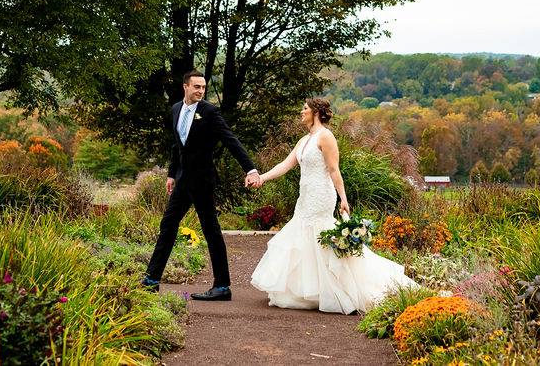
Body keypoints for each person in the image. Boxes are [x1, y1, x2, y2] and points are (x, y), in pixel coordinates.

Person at [248, 97, 417, 313]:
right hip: (305, 196)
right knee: (303, 236)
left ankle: (336, 290)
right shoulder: (303, 140)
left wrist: (343, 198)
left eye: (305, 108)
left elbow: (334, 170)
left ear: (316, 112)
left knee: (319, 235)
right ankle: (310, 291)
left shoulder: (326, 137)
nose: (302, 111)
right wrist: (262, 177)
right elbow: (286, 164)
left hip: (321, 195)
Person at [142, 70, 261, 300]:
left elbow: (231, 140)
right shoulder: (176, 109)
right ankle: (151, 280)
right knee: (168, 224)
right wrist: (171, 174)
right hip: (184, 180)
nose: (201, 91)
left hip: (203, 181)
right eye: (196, 87)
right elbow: (178, 145)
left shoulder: (210, 112)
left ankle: (222, 286)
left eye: (203, 87)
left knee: (211, 230)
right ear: (185, 86)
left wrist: (250, 169)